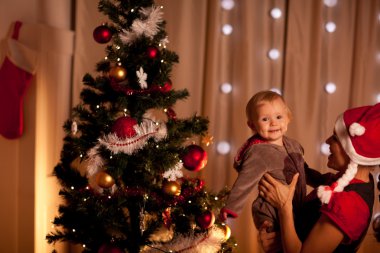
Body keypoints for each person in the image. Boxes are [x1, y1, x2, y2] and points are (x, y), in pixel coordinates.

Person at [259, 103, 378, 253]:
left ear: (353, 151)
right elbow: (316, 178)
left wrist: (285, 207)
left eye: (335, 138)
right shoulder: (355, 180)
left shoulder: (349, 204)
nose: (327, 141)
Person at [219, 90, 307, 238]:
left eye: (279, 117)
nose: (273, 123)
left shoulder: (293, 145)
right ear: (252, 125)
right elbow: (244, 181)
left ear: (288, 119)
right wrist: (231, 208)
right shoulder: (259, 153)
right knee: (277, 241)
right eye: (265, 119)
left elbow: (304, 170)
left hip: (297, 206)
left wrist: (322, 179)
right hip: (271, 211)